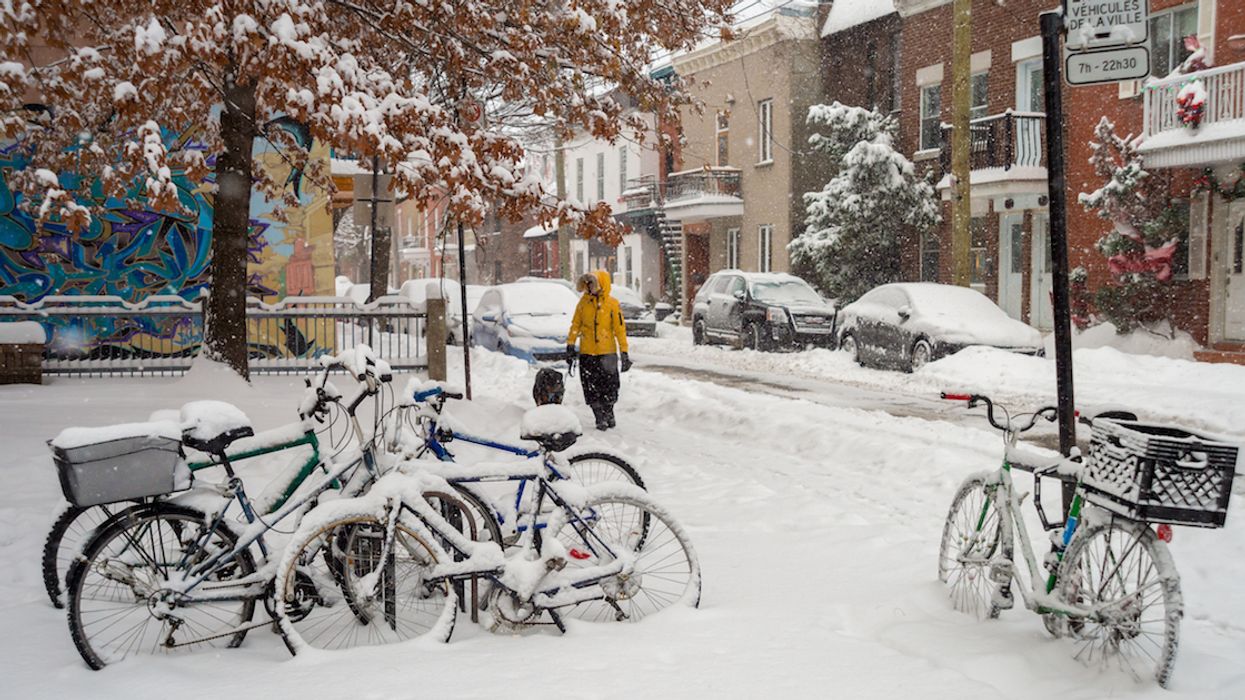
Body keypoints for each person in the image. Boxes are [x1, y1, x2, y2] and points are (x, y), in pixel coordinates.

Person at [566, 269, 631, 430]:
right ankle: (598, 415)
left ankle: (609, 410)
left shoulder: (612, 304)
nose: (589, 287)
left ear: (601, 284)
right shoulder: (583, 303)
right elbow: (576, 325)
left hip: (607, 353)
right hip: (587, 353)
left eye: (592, 284)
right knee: (590, 386)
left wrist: (624, 351)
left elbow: (619, 329)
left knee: (609, 385)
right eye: (586, 284)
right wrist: (570, 344)